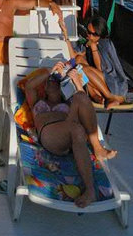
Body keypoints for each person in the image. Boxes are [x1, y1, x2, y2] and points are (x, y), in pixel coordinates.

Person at [22, 63, 117, 208]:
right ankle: (91, 186)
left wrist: (77, 83)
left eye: (56, 80)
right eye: (50, 80)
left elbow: (85, 105)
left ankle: (97, 150)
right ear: (44, 87)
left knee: (81, 98)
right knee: (77, 130)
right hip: (50, 135)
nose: (52, 81)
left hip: (70, 130)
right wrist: (50, 70)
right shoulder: (37, 101)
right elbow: (29, 86)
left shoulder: (68, 103)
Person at [58, 13, 128, 107]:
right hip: (101, 87)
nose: (89, 36)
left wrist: (94, 48)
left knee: (83, 68)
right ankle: (95, 96)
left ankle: (109, 97)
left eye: (93, 34)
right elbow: (74, 57)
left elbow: (101, 69)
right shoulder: (87, 43)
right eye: (88, 32)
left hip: (116, 88)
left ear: (100, 33)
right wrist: (65, 33)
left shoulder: (105, 44)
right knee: (78, 61)